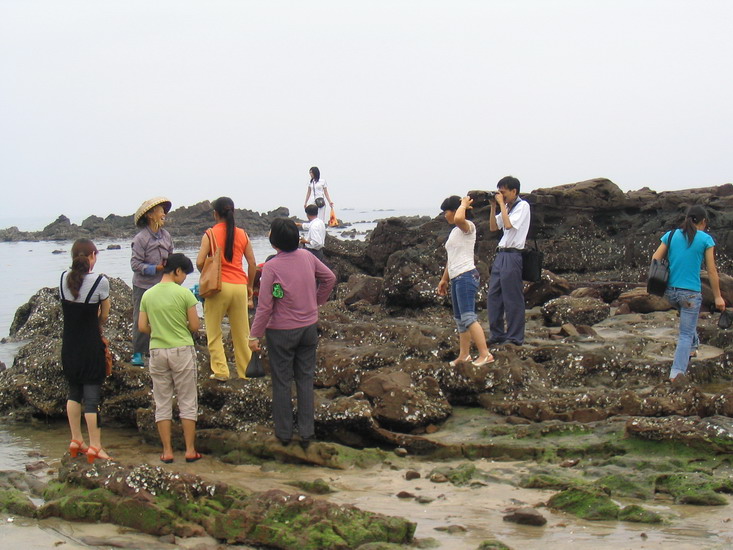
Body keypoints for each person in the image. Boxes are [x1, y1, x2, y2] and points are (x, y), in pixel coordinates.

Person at [248, 218, 336, 449]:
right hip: (308, 328)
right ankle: (307, 433)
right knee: (305, 380)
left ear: (273, 241)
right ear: (296, 239)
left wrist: (254, 335)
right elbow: (329, 278)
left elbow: (265, 306)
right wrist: (315, 303)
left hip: (281, 333)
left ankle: (284, 433)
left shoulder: (272, 267)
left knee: (282, 381)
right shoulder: (307, 257)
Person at [138, 253, 203, 463]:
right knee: (187, 400)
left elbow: (141, 326)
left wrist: (158, 330)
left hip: (157, 350)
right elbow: (195, 326)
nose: (184, 278)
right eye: (184, 274)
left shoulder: (148, 294)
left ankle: (167, 451)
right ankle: (190, 450)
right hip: (182, 349)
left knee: (162, 401)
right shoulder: (184, 295)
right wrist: (179, 328)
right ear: (177, 271)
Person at [651, 205, 726, 381]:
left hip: (669, 292)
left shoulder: (670, 235)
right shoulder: (705, 239)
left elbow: (656, 258)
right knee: (685, 334)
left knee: (687, 323)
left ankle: (693, 347)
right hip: (690, 294)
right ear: (704, 221)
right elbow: (712, 271)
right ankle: (677, 373)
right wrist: (717, 297)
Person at [59, 239, 113, 464]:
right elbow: (104, 315)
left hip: (69, 344)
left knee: (74, 392)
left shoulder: (63, 278)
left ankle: (75, 440)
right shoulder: (100, 282)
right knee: (91, 397)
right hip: (90, 345)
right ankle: (95, 446)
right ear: (92, 255)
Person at [196, 197, 257, 381]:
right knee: (242, 333)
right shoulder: (242, 234)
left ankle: (221, 371)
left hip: (218, 287)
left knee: (214, 331)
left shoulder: (210, 234)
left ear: (215, 214)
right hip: (239, 286)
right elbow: (252, 263)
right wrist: (250, 287)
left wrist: (206, 273)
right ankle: (246, 372)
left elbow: (199, 261)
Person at [437, 196, 494, 367]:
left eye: (446, 212)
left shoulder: (467, 227)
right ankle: (464, 355)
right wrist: (444, 279)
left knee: (469, 317)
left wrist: (462, 205)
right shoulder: (454, 231)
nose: (444, 215)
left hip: (466, 275)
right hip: (456, 277)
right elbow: (451, 258)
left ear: (454, 211)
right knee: (460, 319)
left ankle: (485, 354)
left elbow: (460, 218)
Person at [487, 176, 531, 346]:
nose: (501, 195)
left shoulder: (523, 206)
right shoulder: (506, 207)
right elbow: (493, 227)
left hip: (513, 255)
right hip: (501, 254)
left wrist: (501, 206)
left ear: (514, 191)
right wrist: (493, 207)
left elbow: (508, 225)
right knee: (494, 296)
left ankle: (514, 337)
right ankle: (497, 334)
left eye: (503, 192)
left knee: (512, 297)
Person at [131, 197, 173, 366]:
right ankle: (138, 353)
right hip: (143, 285)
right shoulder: (141, 238)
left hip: (162, 284)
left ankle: (159, 348)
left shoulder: (166, 235)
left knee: (162, 316)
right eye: (160, 210)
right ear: (150, 215)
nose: (164, 214)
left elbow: (170, 255)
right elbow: (135, 264)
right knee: (140, 318)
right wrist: (155, 269)